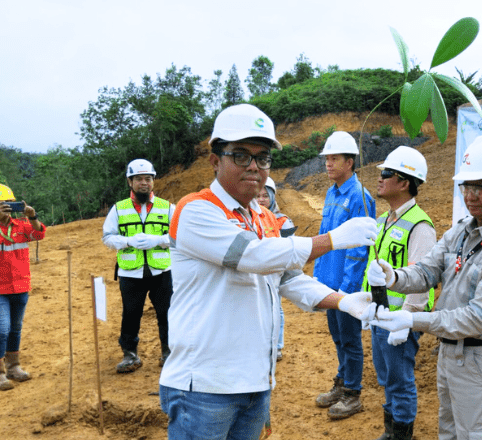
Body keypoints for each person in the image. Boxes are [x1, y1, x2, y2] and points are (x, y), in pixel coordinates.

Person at [158, 104, 377, 440]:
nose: (255, 167)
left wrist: (343, 301)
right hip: (204, 386)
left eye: (262, 158)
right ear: (215, 160)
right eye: (241, 155)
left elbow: (287, 277)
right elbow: (252, 256)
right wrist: (332, 240)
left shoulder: (262, 216)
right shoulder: (196, 210)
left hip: (255, 381)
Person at [366, 135, 482, 439]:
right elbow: (426, 271)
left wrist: (413, 319)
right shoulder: (460, 231)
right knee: (449, 433)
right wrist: (394, 276)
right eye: (466, 186)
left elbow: (477, 317)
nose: (470, 195)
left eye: (480, 187)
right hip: (450, 355)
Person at [363, 146, 436, 440]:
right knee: (387, 378)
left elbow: (421, 281)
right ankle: (391, 430)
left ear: (404, 182)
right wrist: (369, 306)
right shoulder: (383, 221)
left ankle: (402, 434)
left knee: (400, 381)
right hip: (381, 316)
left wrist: (406, 319)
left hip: (401, 322)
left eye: (386, 173)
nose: (379, 178)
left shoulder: (420, 225)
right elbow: (374, 270)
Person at [313, 130, 376, 420]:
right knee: (338, 337)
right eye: (326, 158)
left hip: (346, 286)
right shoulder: (330, 193)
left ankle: (352, 393)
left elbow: (360, 247)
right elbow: (324, 236)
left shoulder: (359, 197)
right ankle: (342, 382)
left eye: (334, 158)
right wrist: (318, 275)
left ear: (350, 162)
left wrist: (348, 288)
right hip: (328, 282)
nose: (328, 163)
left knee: (350, 339)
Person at [102, 159, 175, 373]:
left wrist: (159, 240)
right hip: (130, 272)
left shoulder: (168, 207)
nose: (144, 183)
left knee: (167, 313)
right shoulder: (118, 209)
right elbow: (107, 237)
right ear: (130, 182)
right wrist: (127, 242)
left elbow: (179, 234)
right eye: (139, 179)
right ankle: (130, 355)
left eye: (148, 179)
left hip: (161, 270)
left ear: (153, 181)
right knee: (131, 314)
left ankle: (168, 353)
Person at [0, 184, 45, 391]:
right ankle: (0, 372)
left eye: (10, 204)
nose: (7, 208)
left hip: (20, 286)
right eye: (2, 205)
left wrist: (33, 216)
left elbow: (38, 234)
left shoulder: (21, 225)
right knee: (2, 329)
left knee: (15, 329)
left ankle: (13, 367)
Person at [256, 176, 296, 362]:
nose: (261, 199)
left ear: (272, 197)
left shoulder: (282, 220)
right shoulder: (250, 218)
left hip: (275, 272)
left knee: (276, 308)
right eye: (258, 195)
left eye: (265, 195)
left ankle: (277, 345)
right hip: (255, 272)